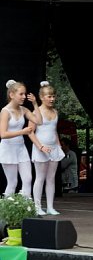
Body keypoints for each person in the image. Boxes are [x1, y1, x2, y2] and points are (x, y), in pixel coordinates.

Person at [29, 81, 66, 216]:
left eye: (53, 96)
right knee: (40, 178)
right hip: (41, 148)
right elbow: (30, 132)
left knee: (51, 178)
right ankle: (37, 206)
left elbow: (54, 130)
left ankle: (50, 206)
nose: (52, 99)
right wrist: (40, 146)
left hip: (53, 148)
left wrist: (59, 146)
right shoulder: (36, 112)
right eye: (49, 96)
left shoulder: (55, 111)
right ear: (42, 97)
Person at [0, 79, 42, 198]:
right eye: (21, 94)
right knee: (12, 182)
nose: (24, 96)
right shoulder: (5, 111)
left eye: (25, 94)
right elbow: (3, 134)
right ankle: (6, 213)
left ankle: (26, 208)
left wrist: (35, 104)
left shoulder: (24, 109)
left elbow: (39, 121)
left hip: (21, 148)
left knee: (28, 179)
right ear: (12, 95)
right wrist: (22, 132)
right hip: (8, 149)